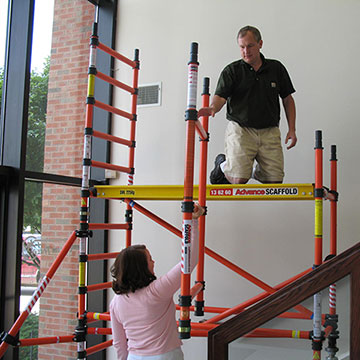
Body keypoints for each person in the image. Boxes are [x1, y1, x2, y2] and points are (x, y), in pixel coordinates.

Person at [198, 25, 297, 184]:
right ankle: (222, 165)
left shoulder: (276, 68)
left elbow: (287, 99)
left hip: (269, 130)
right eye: (242, 47)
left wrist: (292, 129)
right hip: (241, 129)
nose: (246, 51)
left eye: (250, 46)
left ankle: (244, 169)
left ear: (260, 44)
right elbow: (221, 96)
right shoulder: (232, 70)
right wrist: (212, 108)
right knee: (238, 180)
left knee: (274, 182)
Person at [109, 204, 205, 360]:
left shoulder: (116, 303)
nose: (154, 262)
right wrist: (193, 222)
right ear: (141, 267)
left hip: (133, 357)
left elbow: (119, 343)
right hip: (164, 356)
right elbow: (189, 260)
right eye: (149, 259)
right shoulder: (157, 291)